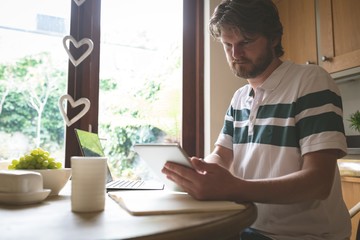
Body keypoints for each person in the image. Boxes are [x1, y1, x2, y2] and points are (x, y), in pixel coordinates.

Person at [161, 0, 351, 239]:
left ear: (273, 38)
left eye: (246, 42)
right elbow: (222, 154)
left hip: (302, 235)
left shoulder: (310, 81)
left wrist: (233, 188)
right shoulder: (239, 98)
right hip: (248, 226)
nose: (235, 54)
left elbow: (318, 183)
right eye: (227, 45)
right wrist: (200, 172)